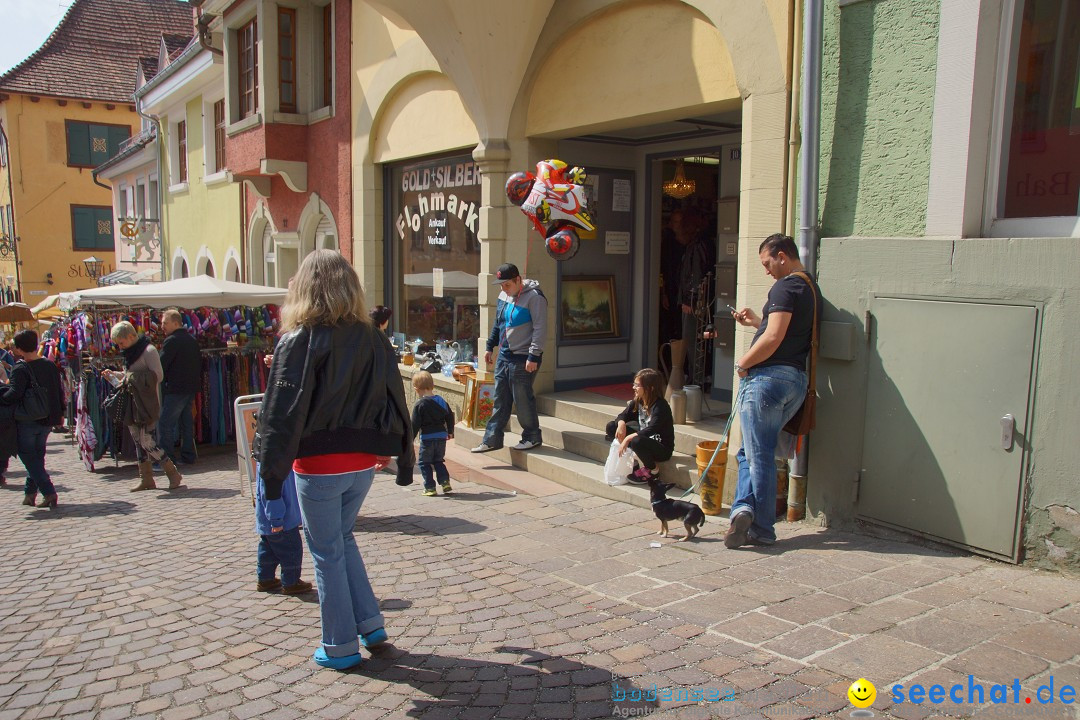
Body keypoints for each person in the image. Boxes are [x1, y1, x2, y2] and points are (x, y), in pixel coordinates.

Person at [255, 249, 414, 671]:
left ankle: (340, 645)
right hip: (362, 463)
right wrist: (398, 453)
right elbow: (395, 397)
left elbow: (279, 416)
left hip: (319, 464)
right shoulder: (373, 336)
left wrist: (270, 478)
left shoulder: (298, 340)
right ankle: (372, 628)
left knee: (327, 552)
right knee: (341, 541)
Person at [726, 233, 821, 549]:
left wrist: (743, 363)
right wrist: (758, 321)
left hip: (768, 381)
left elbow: (774, 338)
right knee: (751, 452)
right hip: (795, 381)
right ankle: (743, 509)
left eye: (767, 263)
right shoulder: (809, 288)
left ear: (782, 256)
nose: (767, 271)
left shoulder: (785, 286)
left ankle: (762, 527)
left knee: (759, 456)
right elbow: (784, 333)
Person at [471, 263, 547, 453]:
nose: (504, 289)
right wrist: (490, 346)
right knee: (500, 399)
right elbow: (499, 323)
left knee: (522, 399)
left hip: (524, 357)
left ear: (518, 280)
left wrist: (533, 355)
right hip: (504, 356)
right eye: (501, 285)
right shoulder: (503, 295)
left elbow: (540, 329)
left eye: (507, 285)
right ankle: (492, 439)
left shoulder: (535, 298)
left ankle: (532, 436)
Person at [106, 321, 184, 492]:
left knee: (146, 440)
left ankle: (173, 473)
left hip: (147, 403)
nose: (120, 346)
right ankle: (146, 479)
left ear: (132, 336)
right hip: (133, 403)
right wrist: (115, 375)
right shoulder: (129, 353)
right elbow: (129, 376)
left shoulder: (149, 351)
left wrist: (129, 377)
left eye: (121, 342)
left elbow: (158, 375)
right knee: (137, 440)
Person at [0, 330, 65, 507]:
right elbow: (58, 392)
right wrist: (60, 414)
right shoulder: (49, 365)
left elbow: (14, 394)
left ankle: (49, 492)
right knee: (37, 457)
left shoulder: (20, 368)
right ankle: (30, 494)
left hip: (27, 420)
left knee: (29, 457)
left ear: (20, 349)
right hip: (46, 418)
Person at [670, 207, 716, 391]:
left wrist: (689, 299)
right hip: (696, 300)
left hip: (694, 303)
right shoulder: (699, 244)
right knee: (694, 340)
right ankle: (697, 378)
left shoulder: (696, 246)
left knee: (692, 341)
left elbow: (695, 276)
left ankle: (696, 381)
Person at [605, 368, 674, 485]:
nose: (633, 388)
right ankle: (635, 462)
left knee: (636, 440)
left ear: (650, 388)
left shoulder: (661, 406)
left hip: (661, 448)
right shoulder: (639, 401)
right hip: (643, 442)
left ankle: (653, 470)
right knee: (612, 427)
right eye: (634, 384)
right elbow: (622, 415)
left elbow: (652, 429)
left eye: (637, 385)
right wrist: (621, 423)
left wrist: (627, 438)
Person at [254, 464, 313, 595]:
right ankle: (291, 582)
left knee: (268, 551)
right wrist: (276, 519)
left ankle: (265, 579)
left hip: (270, 521)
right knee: (291, 550)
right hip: (282, 522)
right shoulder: (274, 467)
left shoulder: (270, 464)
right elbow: (271, 495)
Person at [157, 308, 201, 466]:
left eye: (165, 323)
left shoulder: (172, 340)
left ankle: (167, 459)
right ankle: (188, 456)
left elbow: (161, 364)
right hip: (189, 388)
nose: (162, 326)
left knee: (165, 423)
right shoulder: (191, 339)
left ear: (175, 323)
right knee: (185, 423)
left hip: (176, 389)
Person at [409, 370, 455, 497]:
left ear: (416, 389)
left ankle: (430, 487)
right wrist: (450, 431)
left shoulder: (420, 404)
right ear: (432, 386)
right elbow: (450, 416)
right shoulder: (441, 400)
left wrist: (409, 439)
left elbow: (415, 424)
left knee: (424, 462)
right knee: (438, 460)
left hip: (427, 437)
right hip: (441, 436)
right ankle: (445, 482)